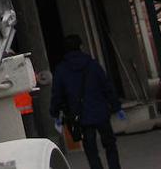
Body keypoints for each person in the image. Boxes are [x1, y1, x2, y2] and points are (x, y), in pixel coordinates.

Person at [50, 34, 124, 169]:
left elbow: (57, 95)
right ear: (81, 47)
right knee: (110, 145)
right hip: (101, 112)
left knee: (91, 150)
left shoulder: (61, 70)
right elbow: (107, 87)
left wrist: (55, 113)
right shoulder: (93, 64)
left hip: (80, 117)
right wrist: (117, 107)